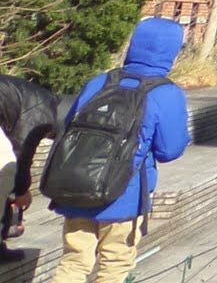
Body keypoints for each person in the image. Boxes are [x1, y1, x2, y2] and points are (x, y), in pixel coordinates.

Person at [49, 17, 190, 283]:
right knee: (114, 266)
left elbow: (68, 127)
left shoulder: (99, 82)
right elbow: (169, 151)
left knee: (74, 262)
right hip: (124, 195)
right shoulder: (166, 93)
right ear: (172, 51)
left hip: (77, 188)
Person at [0, 74, 62, 262]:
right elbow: (22, 153)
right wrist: (21, 191)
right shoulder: (42, 113)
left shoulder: (39, 99)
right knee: (6, 171)